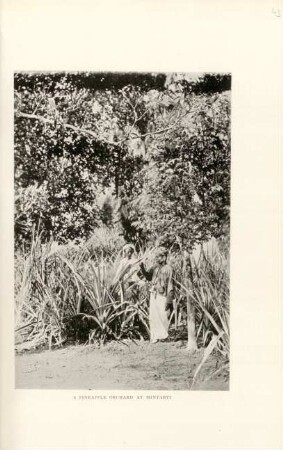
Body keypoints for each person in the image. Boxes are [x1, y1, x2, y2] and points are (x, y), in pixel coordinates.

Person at [139, 247, 174, 343]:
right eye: (157, 257)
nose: (157, 258)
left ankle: (163, 336)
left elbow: (170, 285)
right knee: (153, 316)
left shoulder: (168, 269)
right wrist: (142, 268)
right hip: (153, 293)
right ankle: (155, 336)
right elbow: (149, 277)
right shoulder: (155, 267)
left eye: (159, 257)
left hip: (162, 295)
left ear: (164, 257)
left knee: (163, 315)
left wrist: (169, 300)